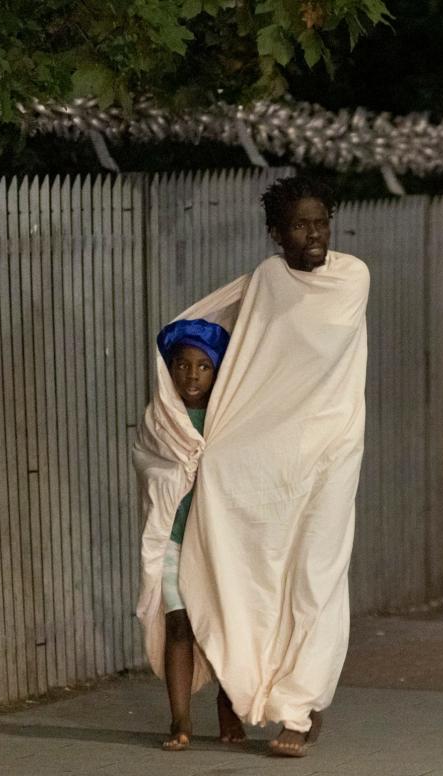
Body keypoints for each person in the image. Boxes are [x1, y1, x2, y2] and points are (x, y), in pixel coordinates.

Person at [134, 175, 370, 759]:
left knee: (316, 578)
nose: (312, 234)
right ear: (276, 233)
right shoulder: (267, 280)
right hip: (268, 451)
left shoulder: (353, 276)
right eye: (298, 224)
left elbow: (317, 361)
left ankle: (299, 707)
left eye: (320, 222)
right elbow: (241, 349)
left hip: (333, 448)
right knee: (263, 574)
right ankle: (261, 690)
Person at [152, 318, 242, 751]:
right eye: (182, 365)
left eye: (203, 367)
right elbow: (151, 469)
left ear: (218, 372)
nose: (191, 375)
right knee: (179, 626)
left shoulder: (229, 420)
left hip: (218, 543)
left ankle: (230, 707)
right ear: (169, 369)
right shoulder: (161, 418)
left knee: (226, 627)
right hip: (172, 538)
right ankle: (180, 720)